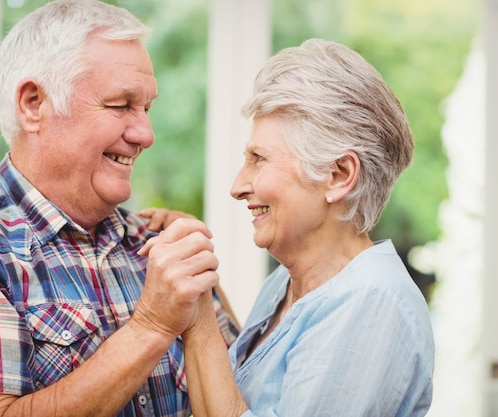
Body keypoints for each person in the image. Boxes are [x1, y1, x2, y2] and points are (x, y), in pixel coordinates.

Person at [0, 1, 239, 416]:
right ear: (34, 104)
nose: (146, 134)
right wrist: (152, 327)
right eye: (120, 105)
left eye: (147, 108)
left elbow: (249, 389)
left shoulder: (158, 246)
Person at [163, 38, 435, 416]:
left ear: (339, 175)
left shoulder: (373, 304)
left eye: (259, 158)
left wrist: (199, 311)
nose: (237, 186)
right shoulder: (286, 284)